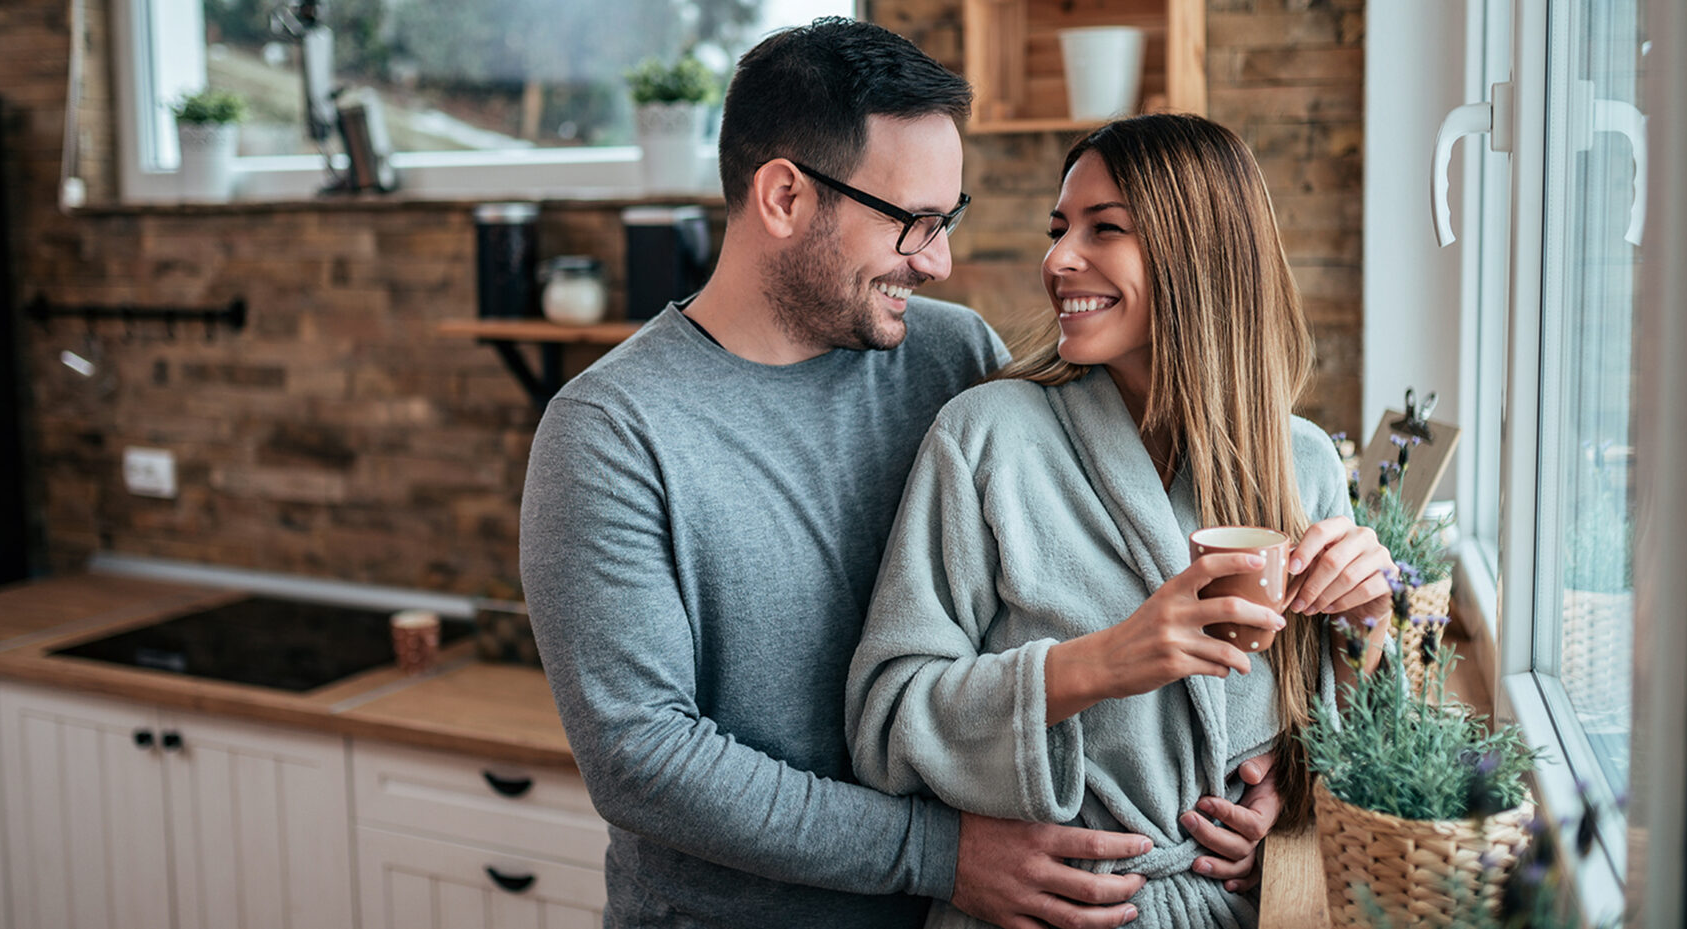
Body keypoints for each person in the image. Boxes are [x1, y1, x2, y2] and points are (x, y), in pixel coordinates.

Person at [521, 18, 1234, 929]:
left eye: (949, 219)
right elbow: (644, 757)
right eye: (912, 222)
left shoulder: (954, 357)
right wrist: (938, 854)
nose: (935, 260)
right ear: (783, 196)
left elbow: (1095, 578)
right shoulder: (611, 432)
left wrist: (1253, 782)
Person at [846, 113, 1396, 928]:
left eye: (1105, 229)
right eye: (1059, 228)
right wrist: (1102, 662)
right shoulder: (987, 436)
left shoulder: (1302, 465)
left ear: (1197, 253)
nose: (1059, 259)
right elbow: (885, 720)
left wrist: (1360, 640)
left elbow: (1349, 757)